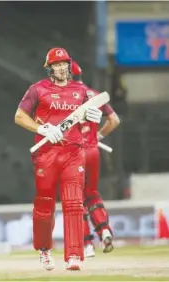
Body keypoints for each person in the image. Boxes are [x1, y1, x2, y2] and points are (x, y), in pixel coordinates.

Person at [14, 48, 103, 271]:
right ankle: (44, 250)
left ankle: (74, 254)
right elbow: (19, 117)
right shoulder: (38, 89)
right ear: (49, 67)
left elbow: (86, 119)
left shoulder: (81, 90)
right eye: (57, 64)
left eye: (65, 63)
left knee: (74, 203)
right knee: (45, 204)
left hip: (73, 152)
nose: (62, 68)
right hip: (46, 154)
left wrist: (94, 117)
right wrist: (41, 128)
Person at [71, 61, 120, 258]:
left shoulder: (64, 97)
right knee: (91, 193)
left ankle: (87, 244)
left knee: (76, 198)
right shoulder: (94, 94)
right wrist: (97, 136)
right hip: (92, 151)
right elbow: (114, 120)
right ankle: (105, 231)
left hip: (75, 152)